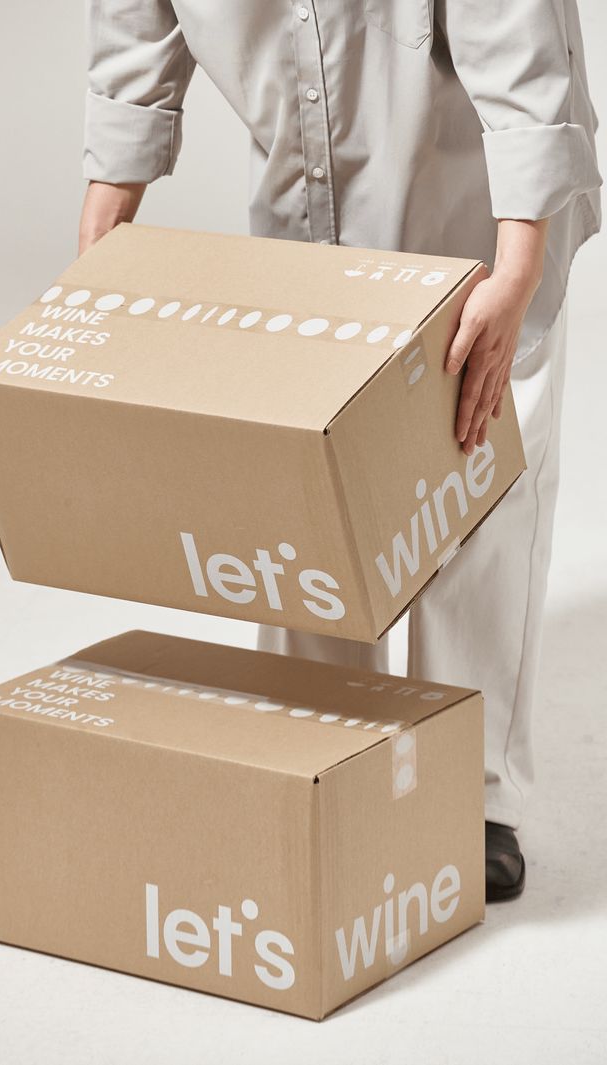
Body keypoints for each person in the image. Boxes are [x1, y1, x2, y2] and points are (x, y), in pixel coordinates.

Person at [78, 1, 602, 901]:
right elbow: (138, 26)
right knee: (308, 479)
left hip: (476, 192)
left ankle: (471, 793)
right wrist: (105, 222)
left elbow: (516, 45)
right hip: (309, 189)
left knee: (474, 469)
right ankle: (322, 742)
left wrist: (518, 262)